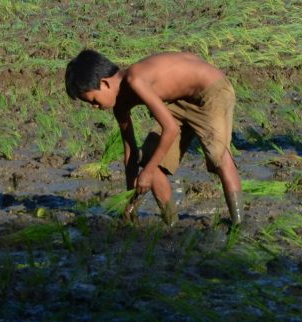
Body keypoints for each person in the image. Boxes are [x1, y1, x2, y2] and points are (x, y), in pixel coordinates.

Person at [65, 50, 243, 226]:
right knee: (151, 159)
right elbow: (131, 153)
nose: (95, 107)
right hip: (182, 99)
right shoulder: (119, 108)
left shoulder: (135, 80)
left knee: (218, 157)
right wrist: (131, 201)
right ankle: (172, 223)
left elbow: (170, 129)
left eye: (94, 101)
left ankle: (238, 224)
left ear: (105, 83)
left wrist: (147, 173)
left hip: (211, 90)